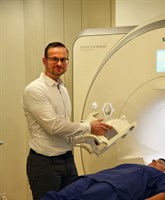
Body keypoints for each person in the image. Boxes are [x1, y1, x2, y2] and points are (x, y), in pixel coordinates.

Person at [22, 42, 112, 200]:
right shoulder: (35, 89)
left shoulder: (62, 89)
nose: (59, 63)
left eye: (63, 60)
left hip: (68, 160)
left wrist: (92, 138)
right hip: (45, 164)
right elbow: (54, 127)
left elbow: (66, 131)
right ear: (44, 61)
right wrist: (89, 127)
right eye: (54, 59)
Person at [42, 158, 165, 200]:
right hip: (93, 178)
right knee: (57, 197)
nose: (155, 161)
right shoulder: (132, 164)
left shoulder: (162, 177)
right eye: (155, 159)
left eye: (160, 163)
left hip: (115, 187)